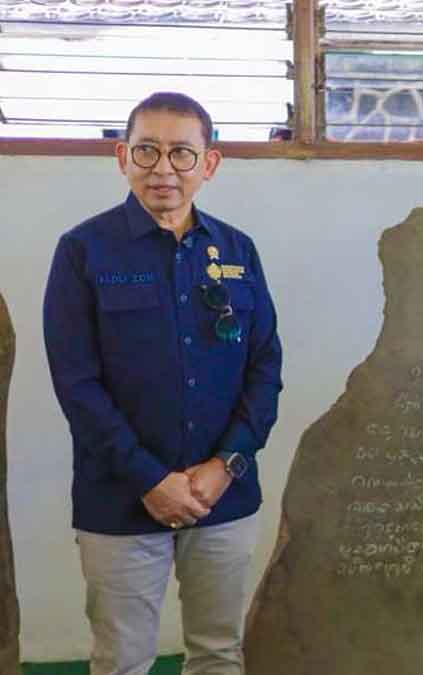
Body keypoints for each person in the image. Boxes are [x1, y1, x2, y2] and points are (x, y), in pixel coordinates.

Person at [43, 92, 283, 675]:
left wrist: (225, 464)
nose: (163, 169)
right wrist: (150, 479)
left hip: (222, 495)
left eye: (181, 153)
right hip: (119, 496)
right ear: (123, 157)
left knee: (218, 652)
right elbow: (76, 383)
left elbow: (264, 369)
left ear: (209, 163)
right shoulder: (82, 251)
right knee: (123, 659)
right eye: (147, 151)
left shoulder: (238, 250)